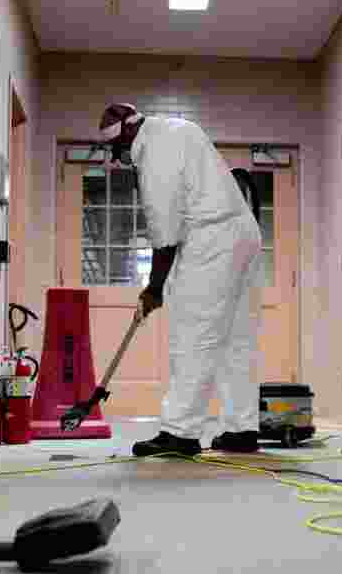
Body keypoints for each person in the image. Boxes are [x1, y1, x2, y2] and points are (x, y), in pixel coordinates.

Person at [98, 104, 264, 456]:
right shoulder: (179, 128)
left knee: (193, 333)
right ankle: (241, 428)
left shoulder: (154, 153)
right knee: (236, 337)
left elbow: (164, 235)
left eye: (120, 151)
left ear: (127, 134)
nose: (124, 158)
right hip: (242, 233)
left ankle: (181, 432)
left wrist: (154, 288)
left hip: (212, 240)